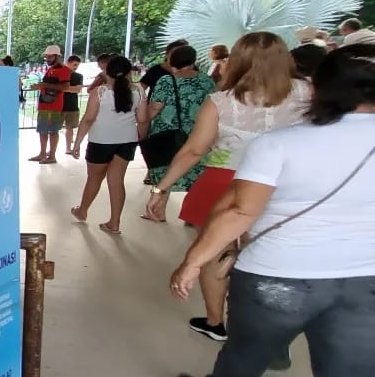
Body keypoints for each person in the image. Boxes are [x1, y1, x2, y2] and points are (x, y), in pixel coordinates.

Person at [170, 43, 375, 377]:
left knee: (246, 351)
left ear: (319, 87)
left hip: (280, 274)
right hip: (364, 278)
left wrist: (193, 262)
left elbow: (241, 210)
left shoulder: (283, 144)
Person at [146, 32, 312, 344]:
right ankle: (263, 327)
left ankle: (215, 321)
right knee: (265, 255)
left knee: (216, 251)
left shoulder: (222, 102)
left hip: (224, 182)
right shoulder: (306, 93)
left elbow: (194, 150)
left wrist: (161, 189)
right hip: (282, 186)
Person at [70, 56, 145, 234]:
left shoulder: (100, 92)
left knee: (94, 179)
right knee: (117, 181)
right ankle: (115, 222)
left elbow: (88, 119)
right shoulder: (139, 91)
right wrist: (142, 137)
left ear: (106, 71)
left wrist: (77, 142)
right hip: (127, 141)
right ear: (129, 72)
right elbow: (142, 120)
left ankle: (82, 210)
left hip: (101, 141)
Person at [140, 44, 217, 195]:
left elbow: (155, 107)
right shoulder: (207, 81)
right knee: (194, 172)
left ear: (172, 60)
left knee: (165, 171)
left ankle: (158, 208)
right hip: (199, 133)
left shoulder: (167, 81)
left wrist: (144, 122)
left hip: (167, 134)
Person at [32, 45, 71, 164]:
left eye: (50, 56)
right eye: (47, 57)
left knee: (53, 131)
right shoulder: (50, 69)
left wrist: (44, 85)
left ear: (57, 56)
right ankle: (43, 153)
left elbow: (65, 86)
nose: (48, 59)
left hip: (54, 106)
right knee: (42, 130)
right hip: (44, 104)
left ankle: (52, 156)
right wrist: (40, 86)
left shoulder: (64, 70)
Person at [63, 55, 86, 156]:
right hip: (59, 105)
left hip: (72, 105)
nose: (76, 67)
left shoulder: (78, 76)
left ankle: (68, 148)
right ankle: (51, 150)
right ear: (68, 62)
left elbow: (78, 89)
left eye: (77, 65)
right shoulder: (61, 74)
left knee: (70, 128)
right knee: (53, 129)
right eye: (74, 64)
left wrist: (64, 88)